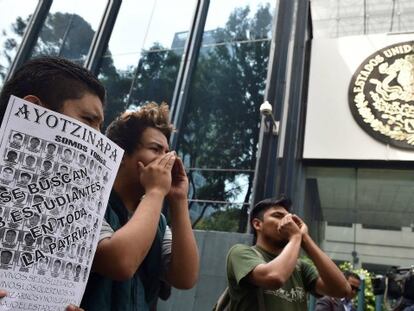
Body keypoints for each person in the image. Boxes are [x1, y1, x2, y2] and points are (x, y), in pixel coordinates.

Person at [0, 55, 105, 311]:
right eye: (89, 121)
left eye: (101, 126)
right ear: (34, 111)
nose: (100, 139)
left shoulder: (75, 205)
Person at [81, 103, 199, 311]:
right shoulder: (88, 199)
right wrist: (155, 192)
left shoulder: (158, 221)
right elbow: (120, 263)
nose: (167, 159)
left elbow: (185, 278)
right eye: (155, 149)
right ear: (122, 155)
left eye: (167, 152)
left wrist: (179, 200)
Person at [226, 196, 351, 311]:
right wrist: (296, 237)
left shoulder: (300, 268)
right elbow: (274, 277)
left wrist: (305, 239)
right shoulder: (240, 253)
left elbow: (342, 290)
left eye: (290, 218)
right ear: (257, 224)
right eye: (278, 216)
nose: (287, 221)